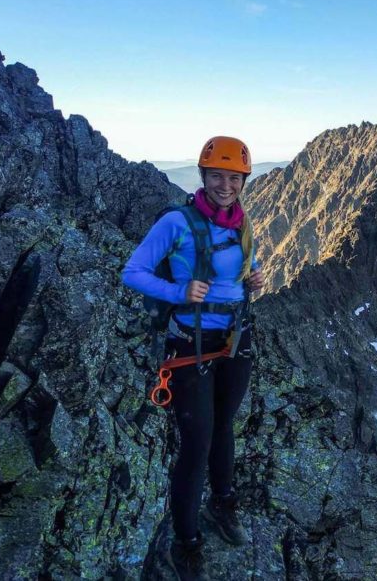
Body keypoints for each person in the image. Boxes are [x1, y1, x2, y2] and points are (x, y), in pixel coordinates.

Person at [122, 136, 265, 581]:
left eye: (234, 178)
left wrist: (253, 282)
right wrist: (178, 291)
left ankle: (223, 505)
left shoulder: (243, 224)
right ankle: (185, 544)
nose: (226, 185)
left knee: (224, 428)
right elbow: (133, 271)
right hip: (191, 345)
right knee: (196, 444)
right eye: (217, 176)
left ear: (244, 181)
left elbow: (243, 271)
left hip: (236, 340)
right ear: (202, 177)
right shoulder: (176, 222)